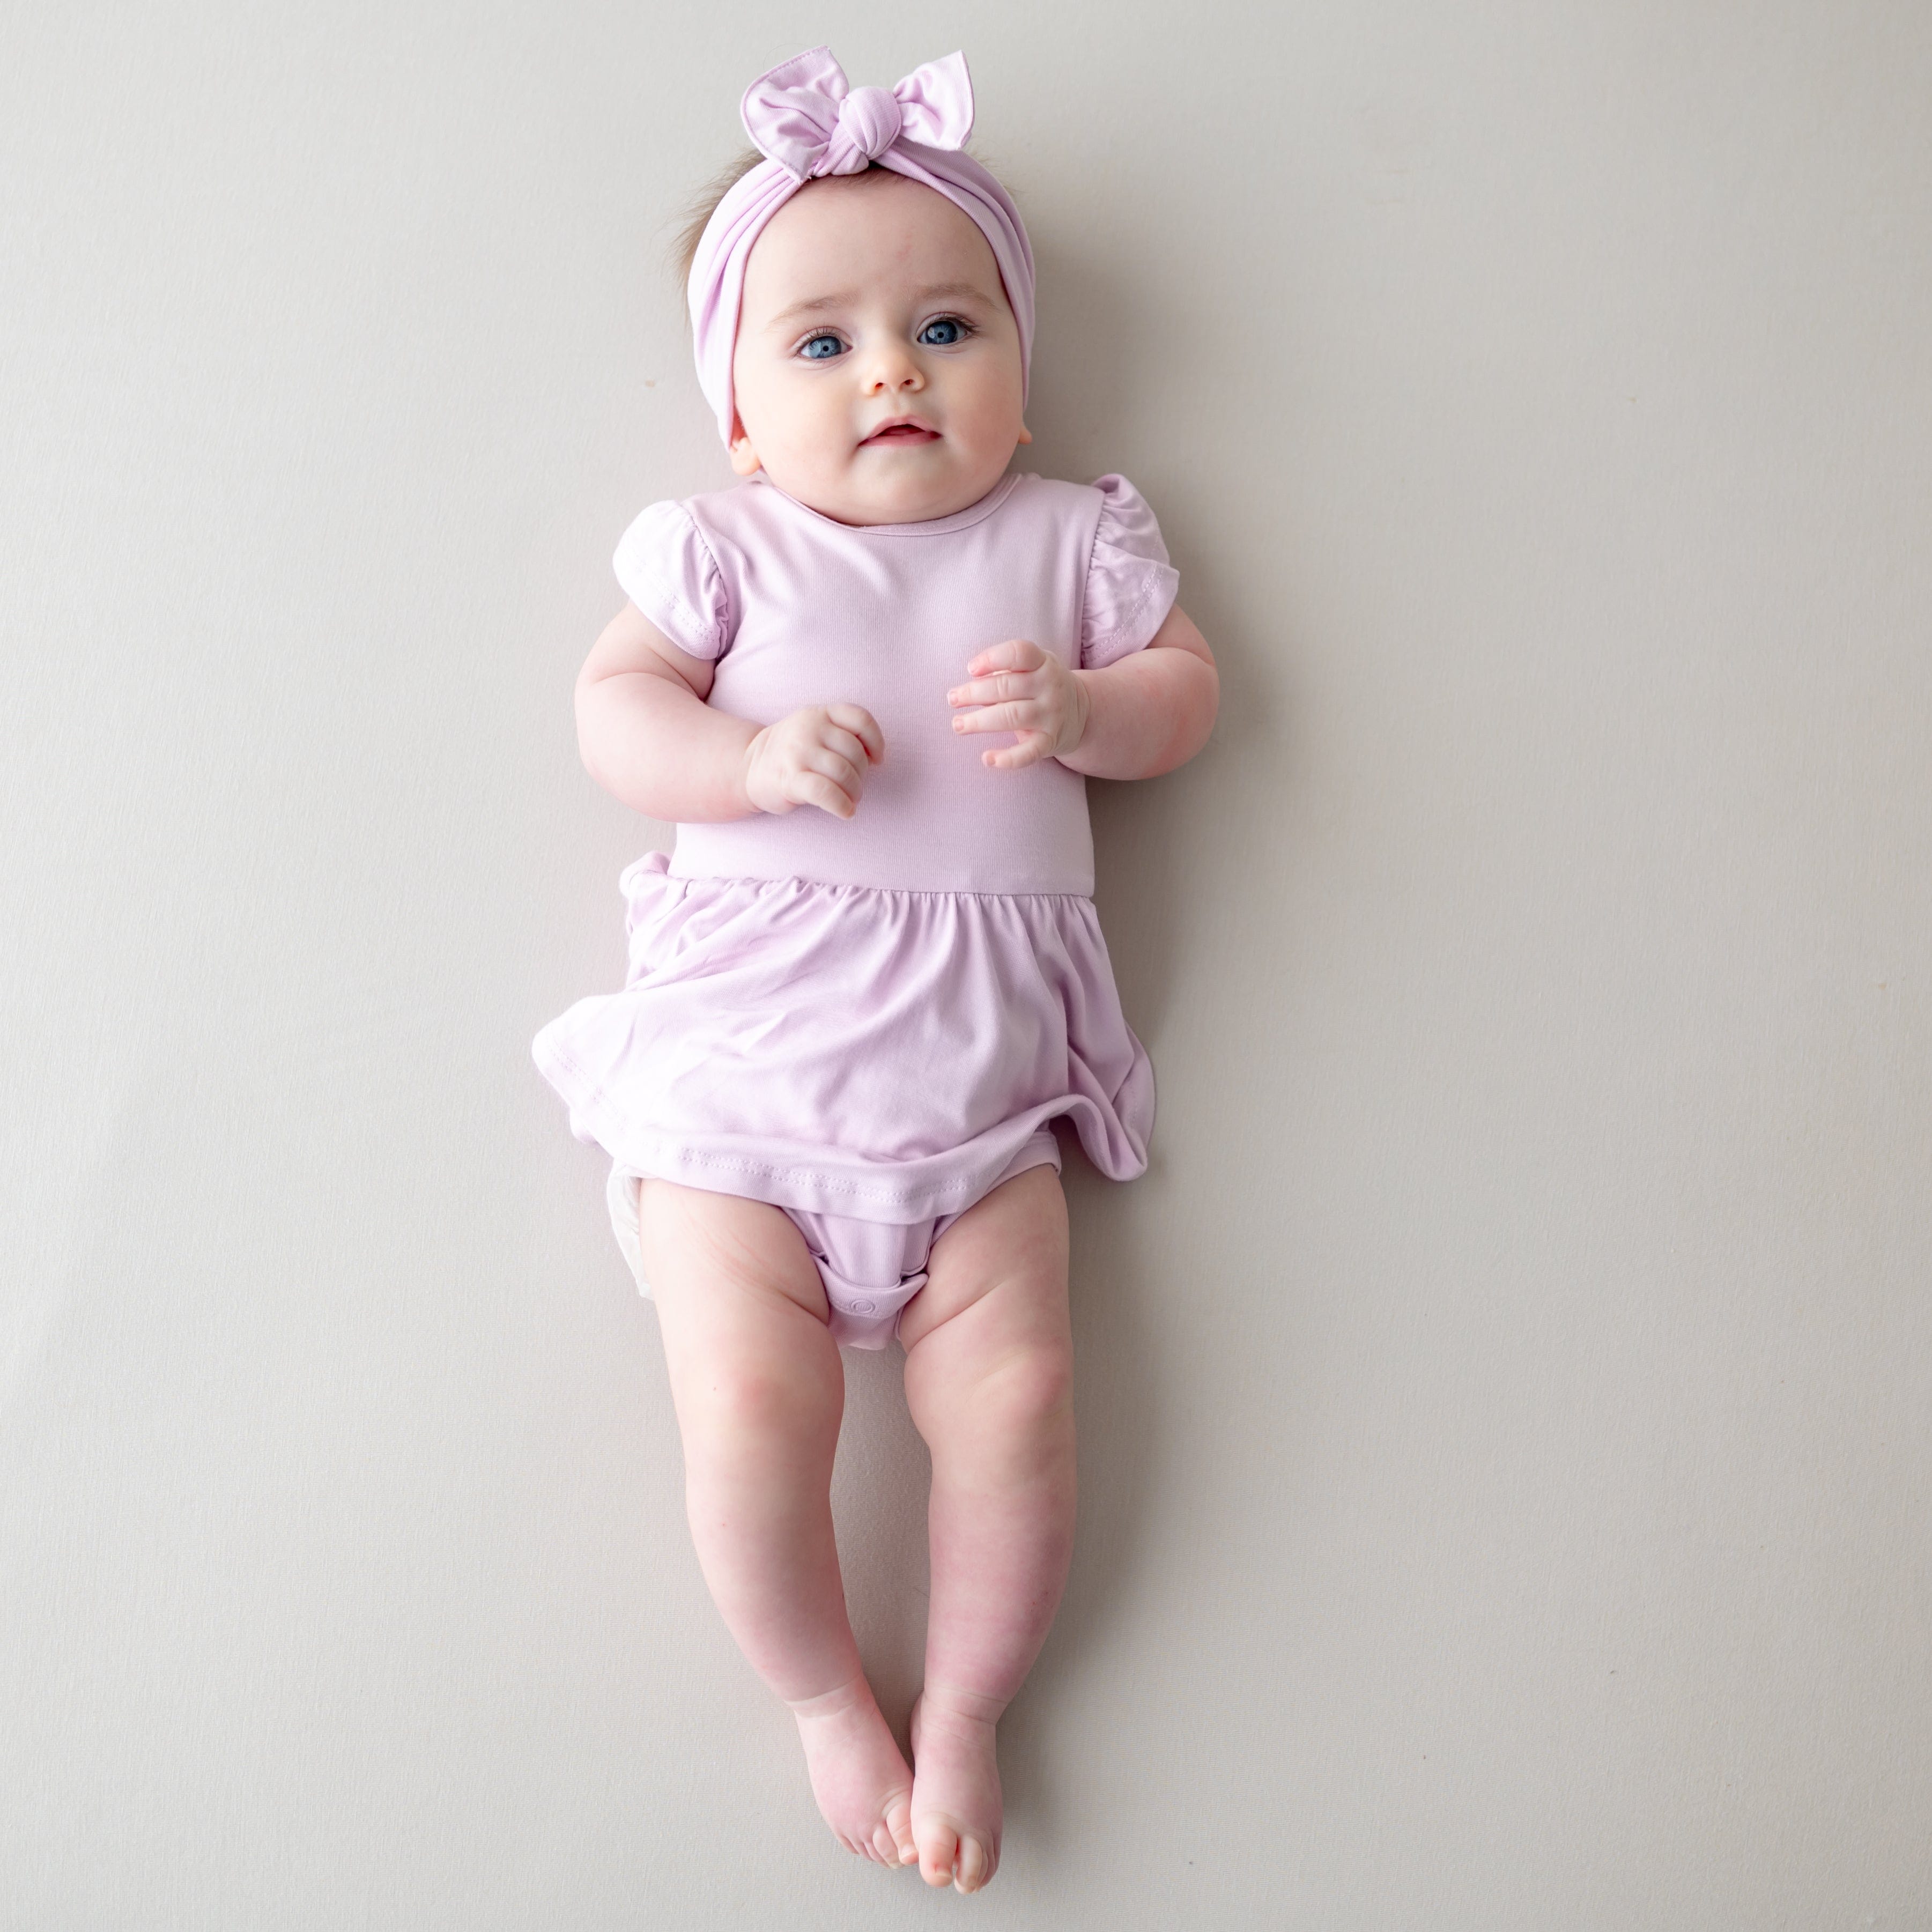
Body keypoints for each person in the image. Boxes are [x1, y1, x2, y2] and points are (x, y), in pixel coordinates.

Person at [533, 46, 1218, 1893]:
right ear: (741, 419)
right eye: (819, 343)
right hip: (740, 1093)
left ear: (1016, 369)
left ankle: (971, 1700)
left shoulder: (1063, 539)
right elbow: (611, 715)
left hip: (980, 1102)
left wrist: (1091, 709)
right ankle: (829, 1695)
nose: (893, 371)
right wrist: (738, 766)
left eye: (943, 325)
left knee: (1015, 1404)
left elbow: (1190, 696)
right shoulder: (725, 556)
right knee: (751, 1413)